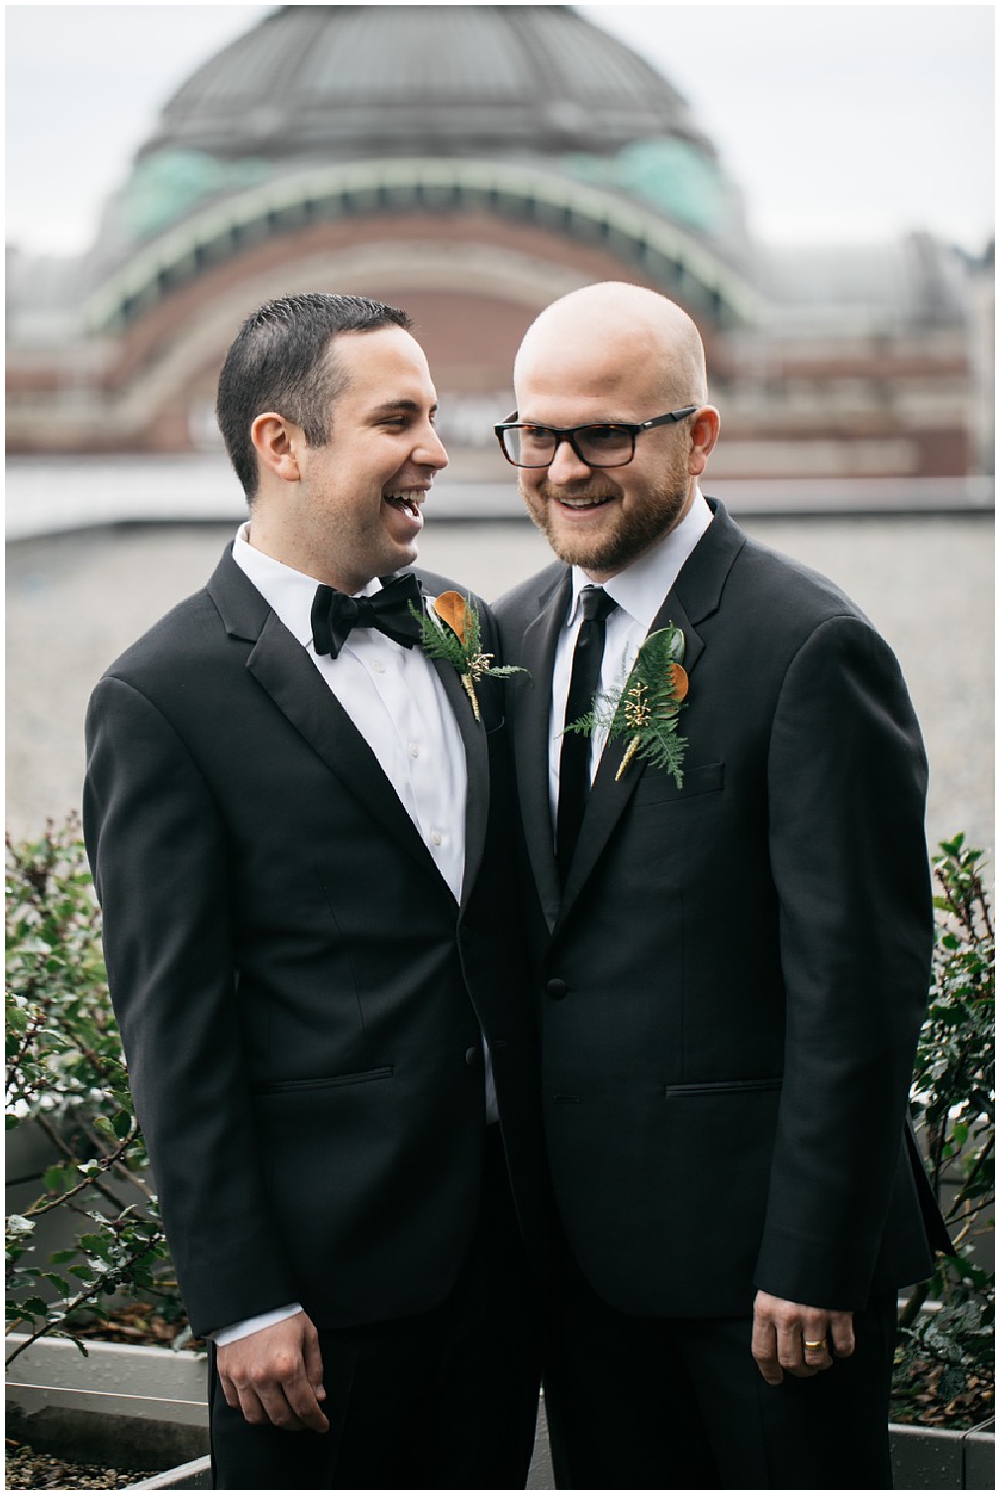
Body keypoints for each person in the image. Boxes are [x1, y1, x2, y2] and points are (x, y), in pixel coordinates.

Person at [83, 292, 550, 1490]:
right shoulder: (161, 697)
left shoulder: (460, 621)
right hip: (319, 1293)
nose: (440, 451)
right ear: (282, 445)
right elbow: (174, 1034)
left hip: (504, 1262)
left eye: (438, 417)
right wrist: (242, 1300)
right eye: (399, 419)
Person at [492, 281, 950, 1490]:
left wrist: (811, 1256)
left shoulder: (808, 645)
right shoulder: (512, 631)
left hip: (767, 1280)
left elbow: (861, 983)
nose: (566, 466)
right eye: (538, 433)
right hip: (583, 1270)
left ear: (697, 437)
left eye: (607, 432)